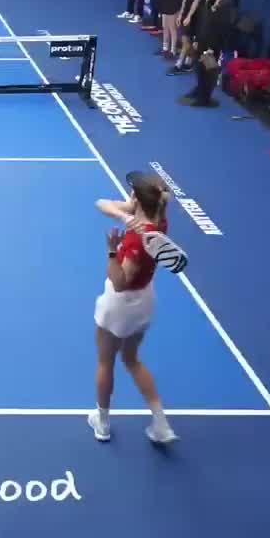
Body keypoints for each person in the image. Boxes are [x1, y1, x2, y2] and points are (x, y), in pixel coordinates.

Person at [89, 172, 180, 444]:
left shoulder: (135, 242)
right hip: (144, 302)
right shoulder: (159, 222)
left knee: (106, 362)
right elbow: (101, 203)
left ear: (137, 199)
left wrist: (112, 250)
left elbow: (118, 282)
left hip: (120, 305)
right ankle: (161, 425)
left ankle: (102, 422)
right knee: (131, 359)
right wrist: (128, 215)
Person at [180, 0, 234, 108]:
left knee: (208, 71)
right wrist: (196, 39)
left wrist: (211, 47)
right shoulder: (209, 2)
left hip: (212, 46)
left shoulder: (225, 8)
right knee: (199, 68)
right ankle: (199, 89)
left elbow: (217, 27)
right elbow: (203, 21)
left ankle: (205, 98)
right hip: (202, 41)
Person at [168, 0, 209, 75]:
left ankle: (179, 65)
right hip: (186, 13)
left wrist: (189, 16)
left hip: (196, 15)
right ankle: (189, 62)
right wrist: (181, 13)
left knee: (186, 39)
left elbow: (197, 0)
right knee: (186, 40)